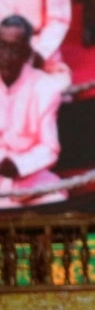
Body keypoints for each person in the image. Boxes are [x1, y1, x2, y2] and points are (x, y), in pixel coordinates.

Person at [0, 15, 66, 207]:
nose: (6, 56)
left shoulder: (45, 88)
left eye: (14, 49)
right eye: (2, 46)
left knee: (56, 200)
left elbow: (50, 148)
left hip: (31, 178)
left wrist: (19, 165)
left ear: (26, 52)